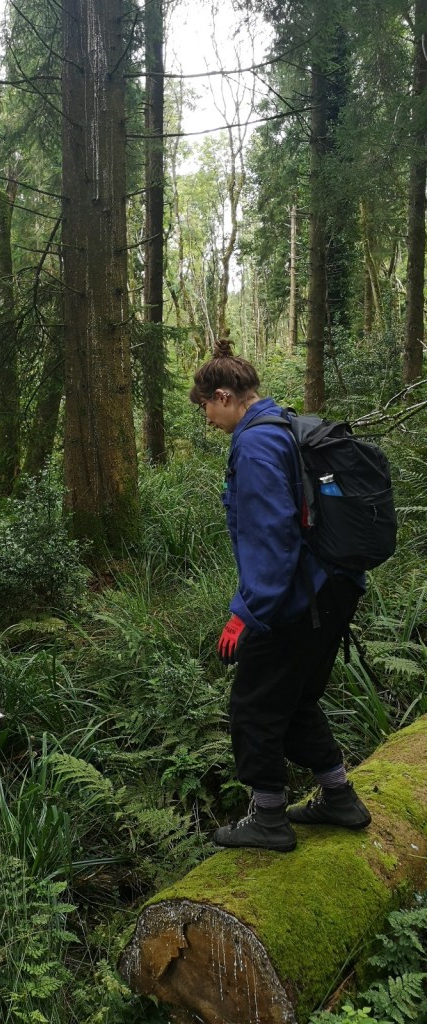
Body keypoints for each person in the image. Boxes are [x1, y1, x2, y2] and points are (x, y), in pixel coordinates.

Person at [190, 338, 371, 852]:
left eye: (205, 407)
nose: (207, 419)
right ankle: (338, 796)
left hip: (299, 598)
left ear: (223, 396)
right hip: (332, 589)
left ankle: (268, 817)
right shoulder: (283, 424)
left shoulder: (255, 444)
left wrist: (246, 613)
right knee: (294, 699)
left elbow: (272, 538)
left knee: (253, 705)